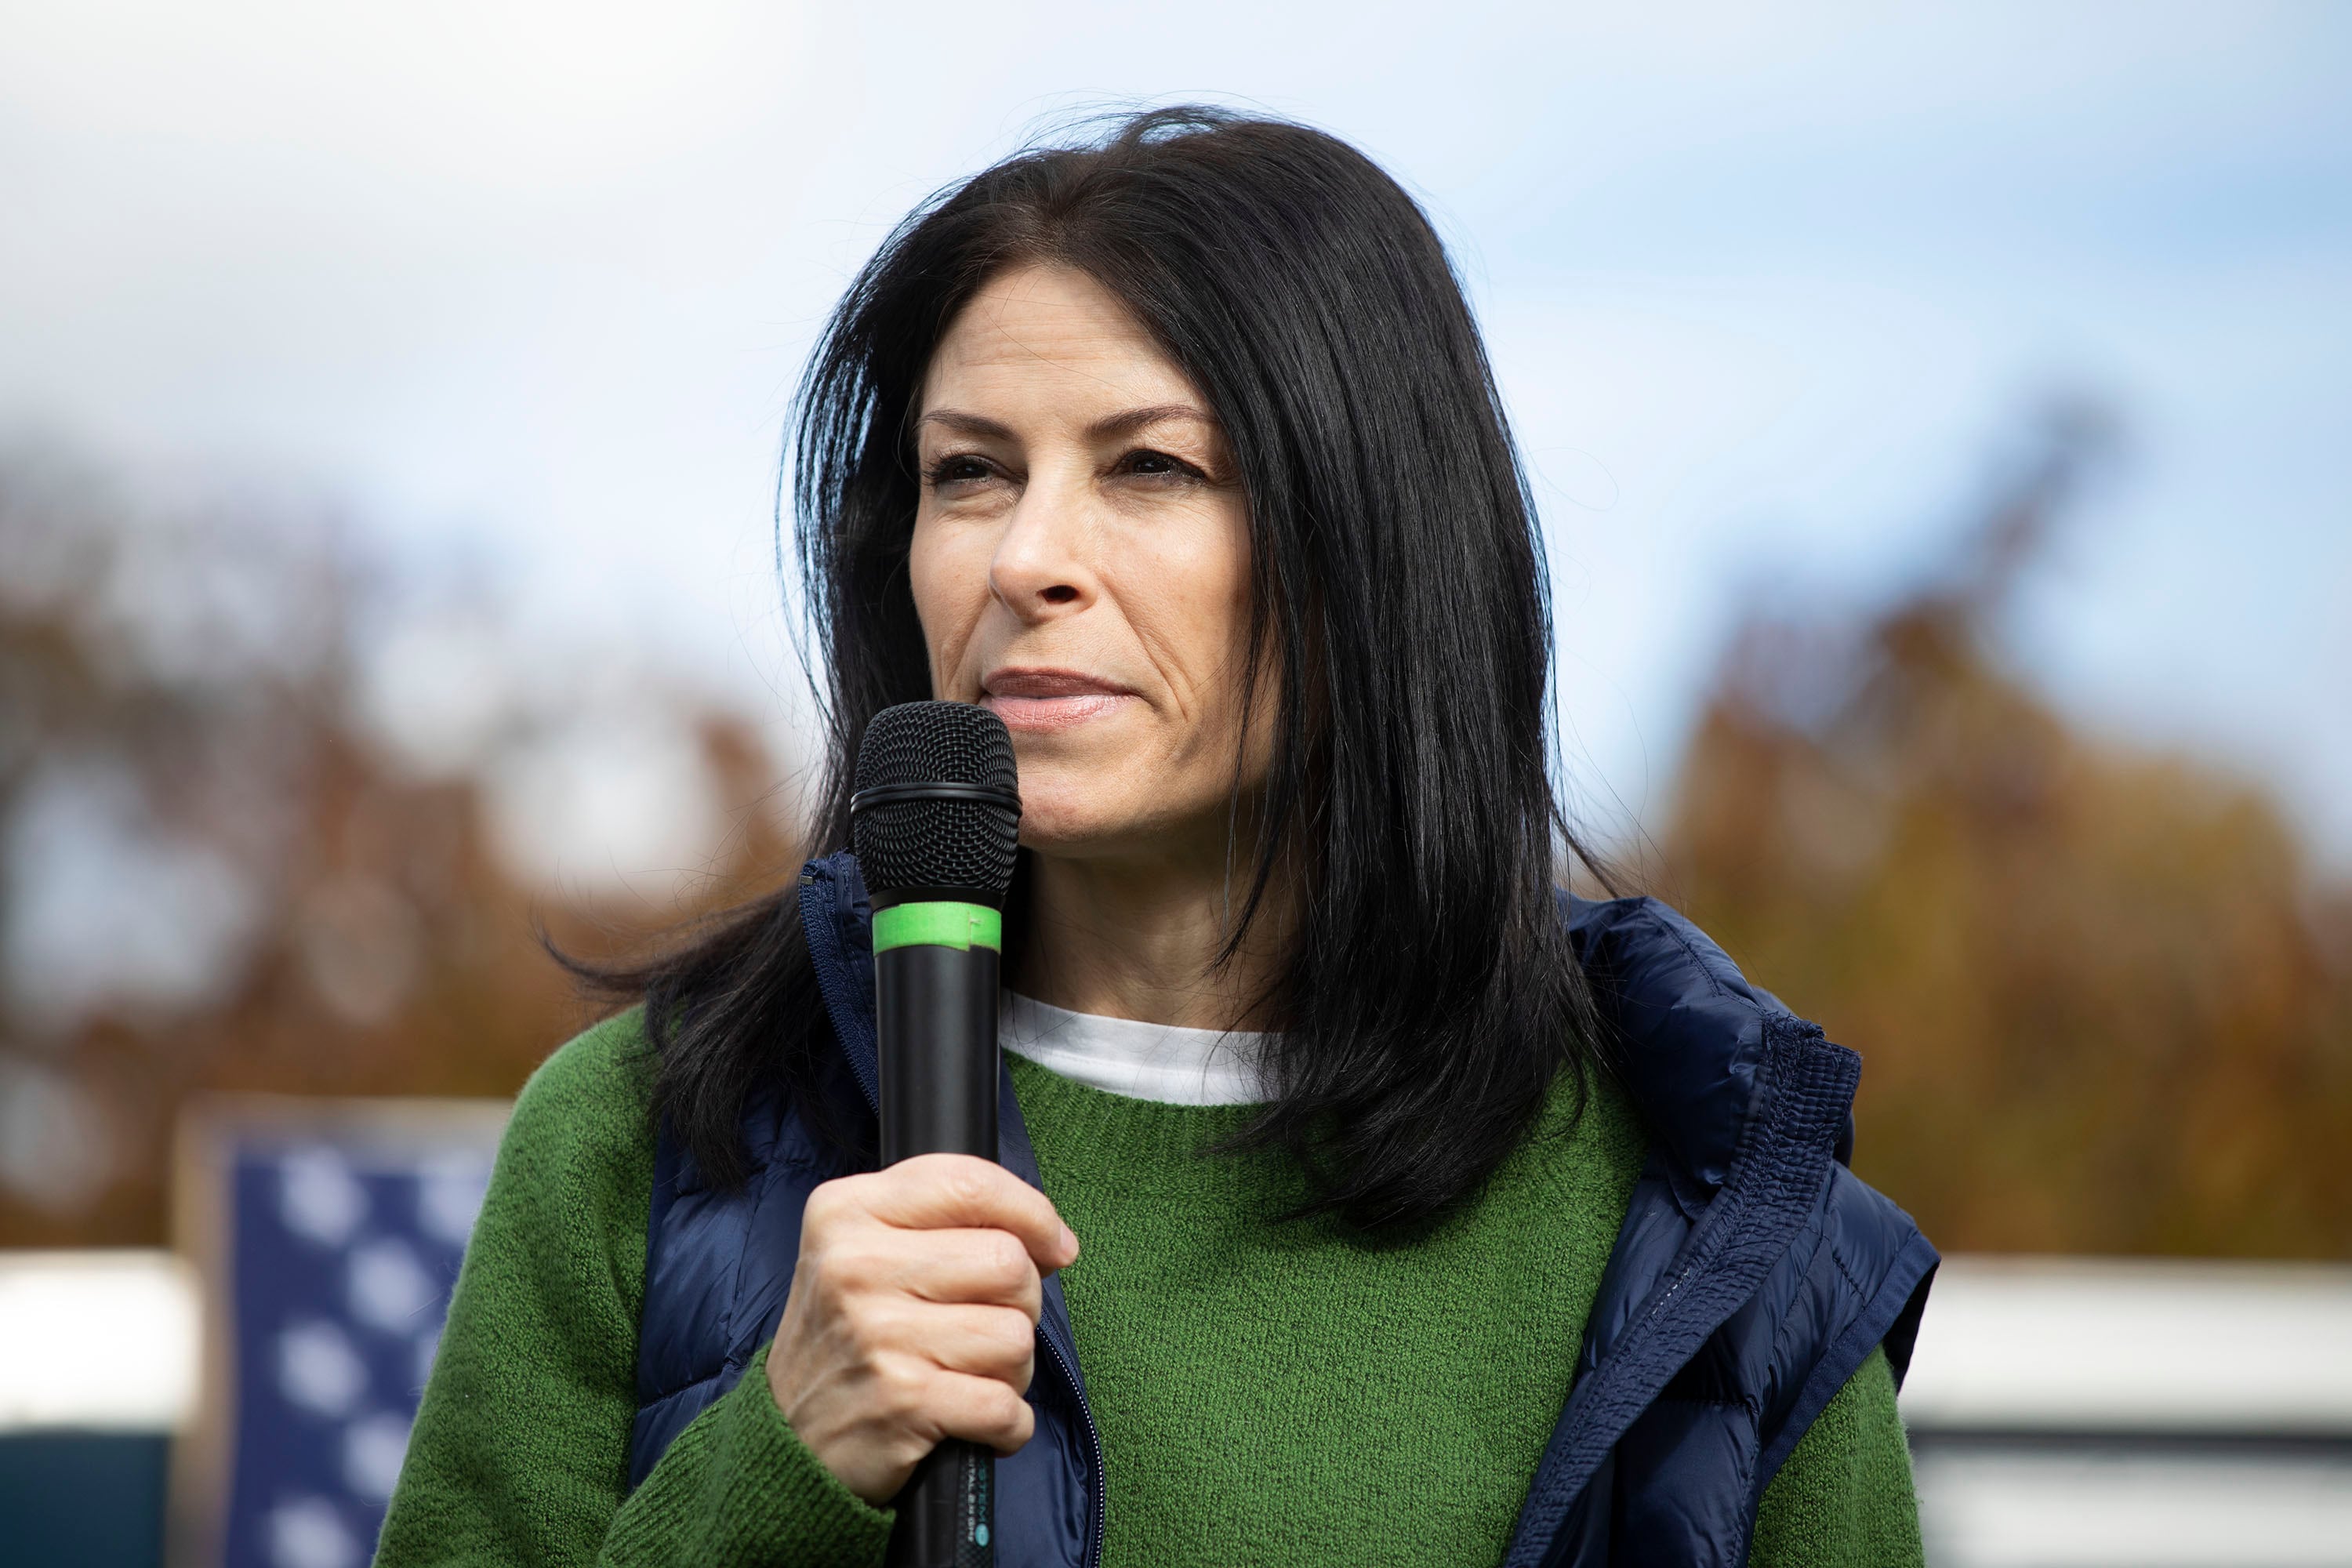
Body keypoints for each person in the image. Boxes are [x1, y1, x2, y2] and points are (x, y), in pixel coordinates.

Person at [375, 107, 1936, 1568]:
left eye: (1152, 467)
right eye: (969, 473)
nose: (1029, 555)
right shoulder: (648, 1139)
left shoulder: (1712, 1207)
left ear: (1370, 547)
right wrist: (778, 1468)